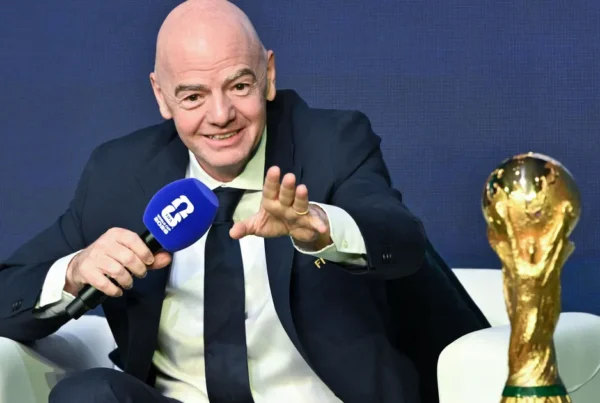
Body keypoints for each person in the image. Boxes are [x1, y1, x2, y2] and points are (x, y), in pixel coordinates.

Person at [0, 1, 488, 402]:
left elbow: (400, 239)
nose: (220, 115)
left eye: (238, 86)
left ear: (268, 75)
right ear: (161, 96)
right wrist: (74, 271)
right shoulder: (119, 174)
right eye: (193, 96)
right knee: (86, 395)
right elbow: (7, 291)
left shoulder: (332, 144)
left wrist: (323, 228)